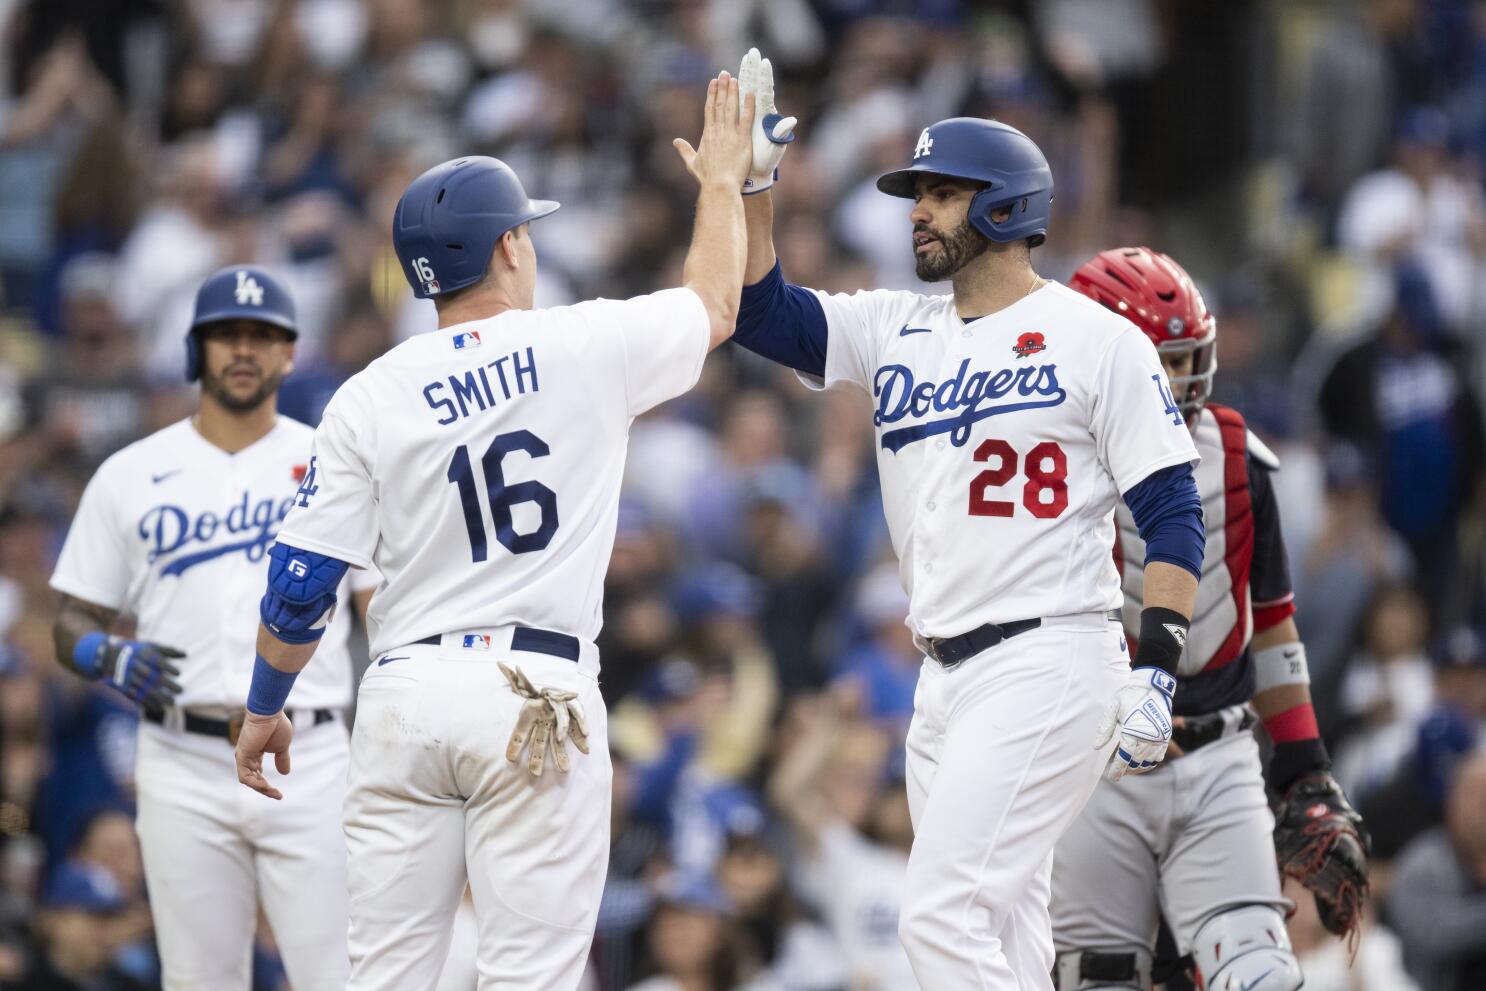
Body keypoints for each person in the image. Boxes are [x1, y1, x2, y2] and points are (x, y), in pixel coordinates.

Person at [232, 70, 756, 989]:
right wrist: (720, 186)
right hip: (533, 687)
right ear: (511, 244)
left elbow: (304, 577)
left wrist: (266, 704)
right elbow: (716, 305)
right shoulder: (581, 343)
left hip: (402, 693)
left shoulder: (367, 392)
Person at [726, 47, 1204, 991]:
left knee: (938, 919)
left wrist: (1161, 664)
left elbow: (1170, 507)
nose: (919, 210)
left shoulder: (1096, 339)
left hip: (1049, 657)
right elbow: (760, 314)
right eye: (919, 193)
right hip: (941, 676)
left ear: (1006, 206)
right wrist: (755, 189)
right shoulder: (896, 325)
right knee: (1009, 929)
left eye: (942, 193)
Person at [1050, 247, 1370, 991]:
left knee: (1258, 973)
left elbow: (1274, 630)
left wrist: (1305, 771)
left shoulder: (1235, 459)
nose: (1179, 381)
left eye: (1184, 359)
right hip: (1090, 764)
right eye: (1160, 363)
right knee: (1099, 979)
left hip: (1218, 757)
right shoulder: (1040, 467)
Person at [47, 264, 374, 989]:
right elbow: (70, 616)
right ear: (197, 349)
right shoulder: (132, 471)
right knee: (199, 979)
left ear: (290, 352)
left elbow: (380, 606)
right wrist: (104, 651)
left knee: (344, 975)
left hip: (312, 754)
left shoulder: (336, 459)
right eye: (227, 334)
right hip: (179, 755)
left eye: (263, 334)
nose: (245, 348)